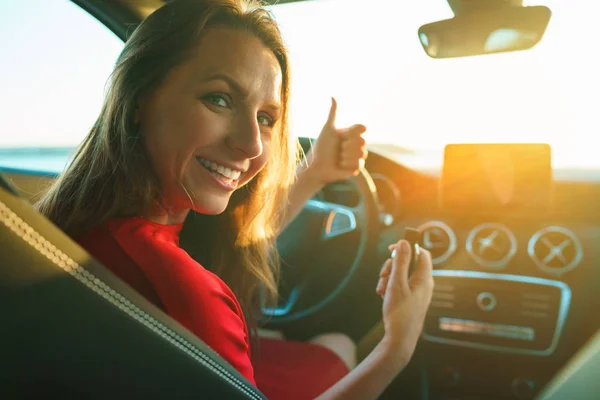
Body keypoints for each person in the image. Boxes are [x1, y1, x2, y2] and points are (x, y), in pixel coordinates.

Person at [36, 0, 434, 398]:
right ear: (139, 98)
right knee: (341, 344)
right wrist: (396, 346)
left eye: (266, 118)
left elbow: (229, 239)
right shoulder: (190, 293)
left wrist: (312, 173)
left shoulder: (74, 230)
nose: (250, 144)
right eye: (219, 99)